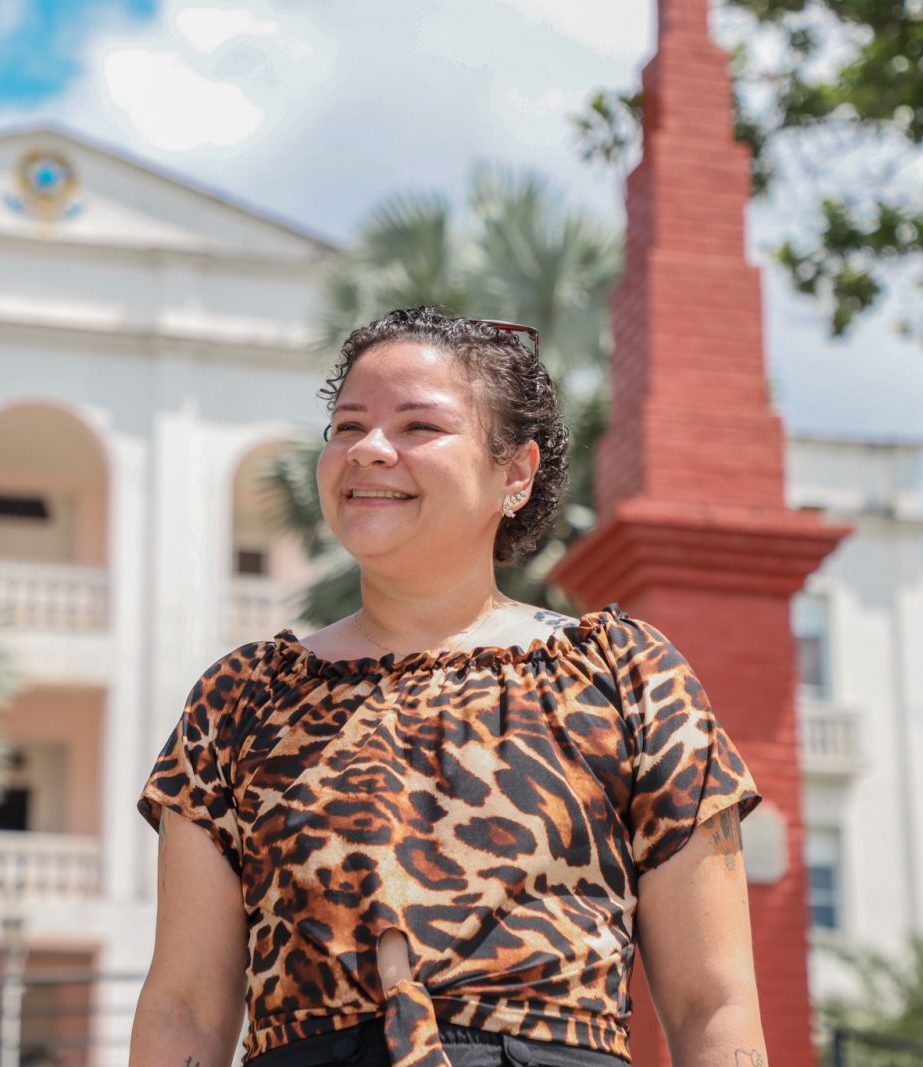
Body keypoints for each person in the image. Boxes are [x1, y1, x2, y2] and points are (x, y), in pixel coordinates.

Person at [131, 308, 768, 1067]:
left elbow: (712, 1002)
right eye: (347, 426)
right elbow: (184, 1007)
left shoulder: (625, 675)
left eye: (418, 427)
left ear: (515, 473)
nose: (368, 449)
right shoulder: (240, 699)